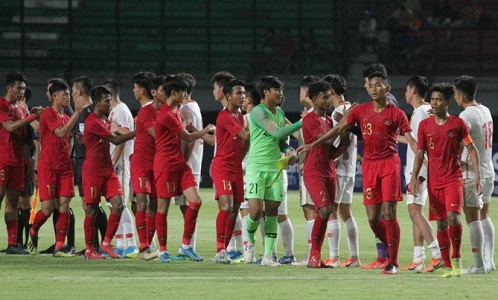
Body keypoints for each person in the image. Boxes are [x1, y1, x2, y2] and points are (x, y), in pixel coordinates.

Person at [299, 72, 417, 274]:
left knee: (388, 212)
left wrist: (420, 168)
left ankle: (392, 261)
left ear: (387, 89)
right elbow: (337, 132)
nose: (373, 88)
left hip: (389, 164)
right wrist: (313, 145)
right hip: (368, 166)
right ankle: (387, 247)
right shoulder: (361, 110)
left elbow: (411, 141)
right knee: (372, 218)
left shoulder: (396, 113)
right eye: (370, 85)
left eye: (378, 85)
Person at [411, 82, 481, 278]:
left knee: (453, 217)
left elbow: (471, 149)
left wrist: (478, 177)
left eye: (439, 100)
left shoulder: (458, 124)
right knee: (441, 223)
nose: (434, 103)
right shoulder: (425, 125)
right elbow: (419, 153)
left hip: (453, 179)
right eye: (432, 99)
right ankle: (448, 265)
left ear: (448, 102)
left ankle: (457, 258)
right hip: (434, 182)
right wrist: (414, 177)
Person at [153, 75, 215, 263]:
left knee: (195, 202)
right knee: (162, 208)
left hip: (180, 164)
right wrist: (206, 129)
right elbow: (188, 138)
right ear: (174, 93)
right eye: (182, 92)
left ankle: (186, 246)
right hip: (166, 165)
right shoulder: (166, 114)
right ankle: (163, 250)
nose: (185, 95)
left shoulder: (176, 110)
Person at [243, 76, 302, 266]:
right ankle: (249, 243)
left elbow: (282, 142)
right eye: (277, 90)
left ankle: (268, 256)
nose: (281, 94)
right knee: (254, 211)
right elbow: (277, 132)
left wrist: (290, 151)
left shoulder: (280, 113)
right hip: (256, 168)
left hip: (275, 169)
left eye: (282, 90)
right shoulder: (257, 112)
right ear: (266, 92)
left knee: (272, 212)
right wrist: (303, 122)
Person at [27, 81, 84, 257]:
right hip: (49, 167)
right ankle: (33, 229)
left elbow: (69, 140)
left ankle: (60, 246)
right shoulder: (47, 115)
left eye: (69, 94)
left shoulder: (66, 118)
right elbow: (60, 133)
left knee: (64, 205)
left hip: (65, 167)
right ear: (54, 97)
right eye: (64, 94)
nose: (68, 97)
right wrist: (76, 113)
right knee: (48, 207)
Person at [82, 86, 135, 259]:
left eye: (110, 100)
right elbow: (116, 139)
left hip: (107, 170)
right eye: (106, 101)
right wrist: (139, 131)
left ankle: (106, 243)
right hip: (93, 171)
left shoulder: (104, 120)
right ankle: (90, 249)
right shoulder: (93, 121)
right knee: (92, 209)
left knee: (118, 205)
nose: (109, 104)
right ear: (97, 102)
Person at [302, 81, 350, 268]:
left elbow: (333, 148)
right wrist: (343, 123)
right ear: (314, 100)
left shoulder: (330, 120)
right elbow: (328, 137)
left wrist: (344, 136)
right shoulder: (309, 120)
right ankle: (313, 254)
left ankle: (317, 256)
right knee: (324, 209)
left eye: (329, 96)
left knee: (328, 210)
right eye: (324, 97)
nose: (329, 100)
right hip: (314, 171)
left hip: (329, 169)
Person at [399, 76, 443, 272]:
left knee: (414, 211)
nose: (405, 94)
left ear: (413, 90)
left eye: (407, 90)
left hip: (419, 170)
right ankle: (418, 258)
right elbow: (416, 141)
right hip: (422, 167)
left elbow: (420, 146)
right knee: (416, 212)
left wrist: (421, 170)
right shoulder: (425, 111)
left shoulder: (419, 113)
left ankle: (437, 253)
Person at [454, 75, 495, 273]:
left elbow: (462, 144)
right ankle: (489, 261)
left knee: (473, 218)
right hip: (488, 170)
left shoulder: (466, 116)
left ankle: (478, 265)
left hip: (471, 172)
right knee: (485, 215)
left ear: (461, 96)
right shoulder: (485, 110)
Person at [0, 72, 42, 254]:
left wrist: (28, 164)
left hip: (17, 162)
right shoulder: (2, 105)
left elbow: (25, 141)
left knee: (13, 202)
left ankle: (12, 244)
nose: (22, 91)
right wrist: (31, 117)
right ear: (9, 88)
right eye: (19, 88)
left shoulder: (22, 110)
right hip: (2, 160)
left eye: (24, 88)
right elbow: (9, 127)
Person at [322, 74, 361, 268]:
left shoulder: (338, 112)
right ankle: (354, 257)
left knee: (332, 211)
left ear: (331, 91)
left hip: (337, 168)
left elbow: (338, 139)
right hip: (351, 168)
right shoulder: (352, 109)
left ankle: (334, 257)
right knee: (346, 211)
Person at [211, 79, 249, 263]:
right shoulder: (224, 116)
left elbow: (245, 142)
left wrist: (239, 160)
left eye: (243, 93)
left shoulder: (240, 117)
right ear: (228, 96)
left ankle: (224, 250)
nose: (242, 97)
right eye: (238, 93)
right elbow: (245, 135)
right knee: (226, 206)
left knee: (234, 210)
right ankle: (219, 250)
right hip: (222, 167)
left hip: (235, 167)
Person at [71, 76, 108, 254]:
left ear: (79, 92)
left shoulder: (90, 114)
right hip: (81, 163)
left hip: (90, 165)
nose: (71, 94)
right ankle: (95, 245)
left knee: (91, 205)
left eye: (72, 90)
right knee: (88, 205)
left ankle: (99, 245)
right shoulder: (79, 113)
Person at [103, 79, 138, 258]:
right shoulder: (114, 111)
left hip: (121, 164)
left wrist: (114, 162)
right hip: (113, 163)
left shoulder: (122, 111)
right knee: (113, 205)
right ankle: (121, 243)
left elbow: (124, 139)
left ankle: (132, 244)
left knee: (121, 204)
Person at [174, 73, 205, 258]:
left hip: (189, 164)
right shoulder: (195, 106)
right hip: (193, 163)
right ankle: (187, 246)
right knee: (187, 207)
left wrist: (183, 161)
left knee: (188, 206)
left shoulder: (185, 109)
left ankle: (188, 247)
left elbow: (190, 137)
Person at [131, 73, 160, 260]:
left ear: (142, 90)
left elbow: (156, 134)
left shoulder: (152, 111)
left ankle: (147, 246)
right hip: (142, 164)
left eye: (134, 88)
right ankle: (143, 247)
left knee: (153, 206)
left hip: (154, 163)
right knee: (144, 203)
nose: (133, 91)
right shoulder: (147, 111)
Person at [291, 75, 318, 266]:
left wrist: (304, 161)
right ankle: (318, 252)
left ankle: (312, 254)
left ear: (306, 92)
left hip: (310, 169)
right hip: (315, 168)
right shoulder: (315, 113)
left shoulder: (311, 115)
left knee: (310, 210)